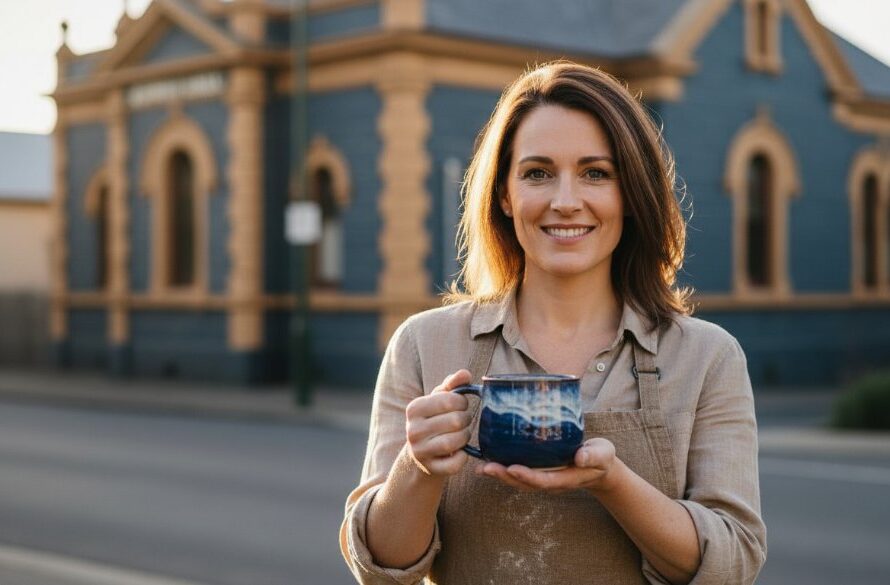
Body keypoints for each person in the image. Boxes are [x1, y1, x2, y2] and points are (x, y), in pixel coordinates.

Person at [340, 61, 766, 585]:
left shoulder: (707, 357)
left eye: (596, 173)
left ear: (630, 194)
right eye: (537, 173)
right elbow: (382, 572)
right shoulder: (424, 345)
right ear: (504, 193)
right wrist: (418, 468)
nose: (566, 202)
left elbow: (733, 564)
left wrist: (611, 481)